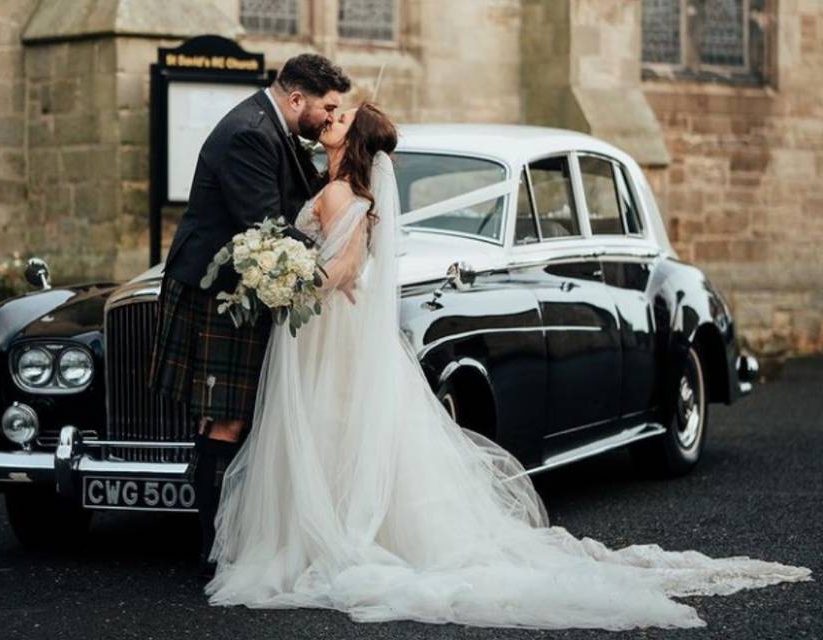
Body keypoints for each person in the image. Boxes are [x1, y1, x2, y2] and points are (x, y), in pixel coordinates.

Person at [203, 103, 812, 630]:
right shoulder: (344, 188)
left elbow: (339, 270)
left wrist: (288, 279)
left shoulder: (347, 195)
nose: (328, 118)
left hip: (328, 323)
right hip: (330, 328)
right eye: (329, 112)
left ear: (355, 143)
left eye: (339, 117)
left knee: (341, 426)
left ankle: (328, 533)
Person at [148, 54, 352, 577]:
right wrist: (333, 261)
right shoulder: (249, 134)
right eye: (326, 108)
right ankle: (211, 547)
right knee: (225, 419)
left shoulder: (273, 129)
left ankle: (230, 534)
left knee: (226, 418)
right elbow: (266, 226)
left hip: (240, 288)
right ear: (296, 99)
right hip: (217, 291)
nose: (330, 118)